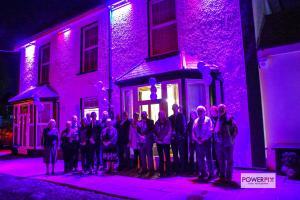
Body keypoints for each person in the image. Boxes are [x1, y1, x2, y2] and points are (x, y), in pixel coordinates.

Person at [214, 104, 238, 182]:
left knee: (229, 160)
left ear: (225, 109)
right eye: (219, 109)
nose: (220, 110)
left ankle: (228, 177)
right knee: (221, 160)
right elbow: (216, 131)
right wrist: (217, 139)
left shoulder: (229, 118)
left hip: (228, 143)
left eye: (222, 108)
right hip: (220, 144)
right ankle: (222, 176)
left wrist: (231, 139)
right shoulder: (218, 119)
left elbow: (235, 130)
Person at [192, 106, 213, 180]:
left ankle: (211, 173)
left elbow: (210, 130)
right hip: (198, 142)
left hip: (206, 141)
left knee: (208, 158)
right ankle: (203, 173)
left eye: (201, 111)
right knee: (200, 158)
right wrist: (196, 139)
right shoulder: (195, 121)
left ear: (204, 112)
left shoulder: (208, 120)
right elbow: (193, 131)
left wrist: (203, 139)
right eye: (198, 111)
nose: (199, 113)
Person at [169, 104, 187, 174]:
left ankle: (182, 170)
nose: (174, 109)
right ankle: (176, 170)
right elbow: (169, 127)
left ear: (177, 108)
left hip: (180, 138)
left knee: (181, 154)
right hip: (173, 139)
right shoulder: (170, 117)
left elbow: (184, 126)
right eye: (173, 108)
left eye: (175, 107)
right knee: (175, 155)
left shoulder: (181, 116)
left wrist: (182, 136)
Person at [137, 111, 155, 177]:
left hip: (148, 141)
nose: (143, 115)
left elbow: (152, 130)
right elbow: (137, 130)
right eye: (142, 114)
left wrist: (145, 134)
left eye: (144, 114)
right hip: (141, 141)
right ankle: (144, 169)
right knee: (142, 156)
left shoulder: (150, 121)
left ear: (146, 115)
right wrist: (140, 135)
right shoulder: (139, 122)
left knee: (149, 156)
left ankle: (151, 170)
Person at [154, 111, 172, 177]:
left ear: (164, 115)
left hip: (166, 142)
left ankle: (168, 171)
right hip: (159, 142)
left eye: (162, 114)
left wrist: (164, 139)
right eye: (159, 114)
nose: (160, 116)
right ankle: (161, 172)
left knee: (167, 157)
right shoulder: (157, 122)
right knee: (161, 157)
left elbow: (169, 131)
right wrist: (158, 139)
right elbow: (155, 132)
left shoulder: (168, 122)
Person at [210, 106, 219, 177]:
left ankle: (220, 171)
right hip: (213, 140)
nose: (211, 113)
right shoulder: (211, 119)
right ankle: (218, 170)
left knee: (219, 156)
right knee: (215, 156)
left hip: (219, 140)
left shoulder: (219, 119)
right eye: (211, 111)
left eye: (213, 111)